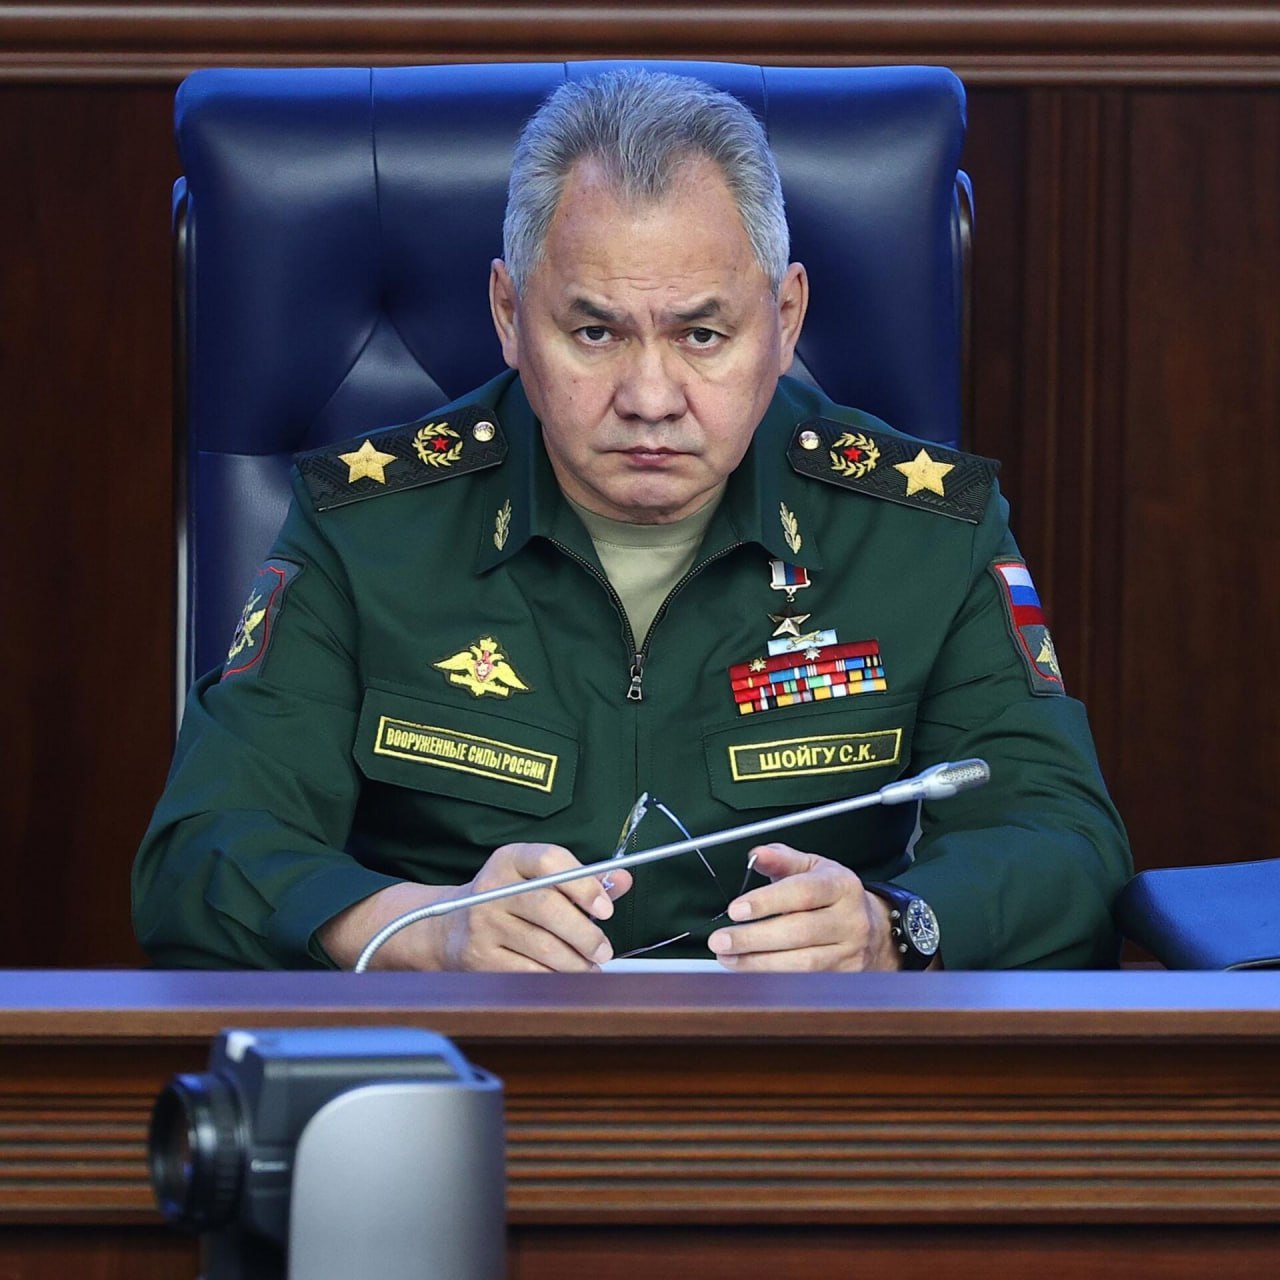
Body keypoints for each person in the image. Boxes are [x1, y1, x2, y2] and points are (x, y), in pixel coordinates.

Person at [133, 69, 1131, 973]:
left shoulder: (922, 529)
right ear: (508, 315)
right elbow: (200, 854)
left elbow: (1067, 844)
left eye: (702, 334)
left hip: (803, 1067)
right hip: (469, 1057)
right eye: (594, 331)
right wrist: (425, 928)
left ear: (784, 320)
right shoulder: (368, 524)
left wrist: (892, 928)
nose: (650, 398)